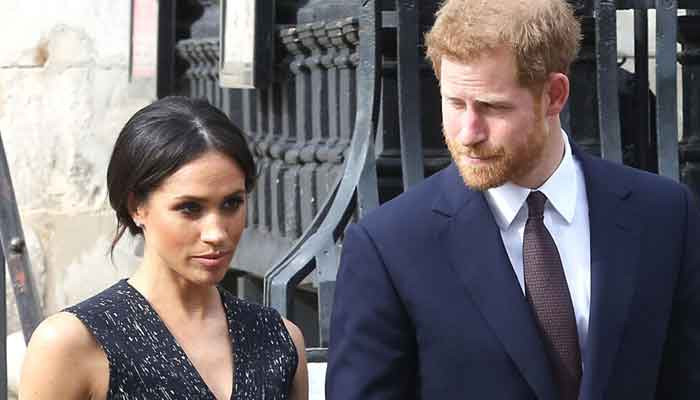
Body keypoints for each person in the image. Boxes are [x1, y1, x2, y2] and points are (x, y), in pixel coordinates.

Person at [326, 0, 700, 399]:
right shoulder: (389, 246)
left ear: (555, 95)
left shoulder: (663, 215)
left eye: (492, 107)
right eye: (455, 103)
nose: (468, 133)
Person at [19, 96, 308, 400]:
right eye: (190, 208)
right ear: (137, 207)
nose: (216, 233)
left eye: (231, 204)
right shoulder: (71, 344)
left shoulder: (279, 340)